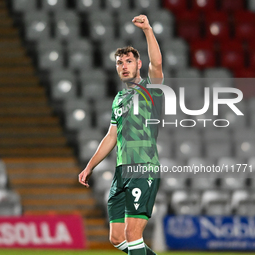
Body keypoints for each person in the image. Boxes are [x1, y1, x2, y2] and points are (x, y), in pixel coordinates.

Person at [79, 15, 164, 255]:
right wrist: (89, 167)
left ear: (138, 65)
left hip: (142, 168)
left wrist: (147, 30)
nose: (124, 65)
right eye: (119, 62)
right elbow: (111, 136)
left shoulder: (150, 89)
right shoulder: (118, 99)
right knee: (117, 238)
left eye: (128, 61)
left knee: (132, 234)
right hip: (121, 171)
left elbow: (156, 64)